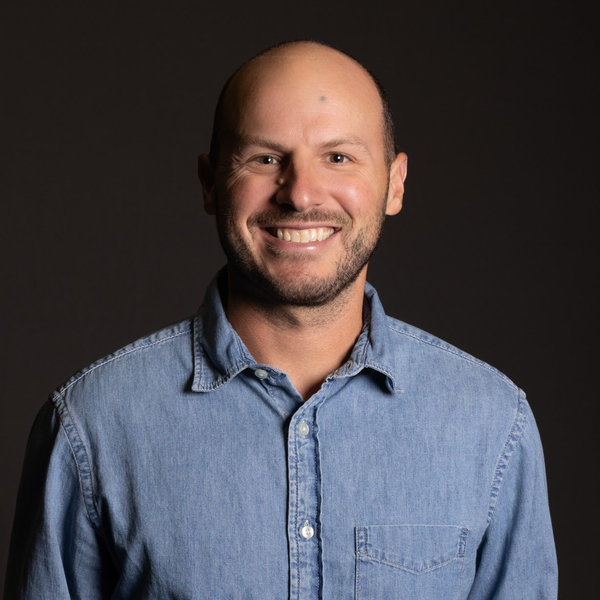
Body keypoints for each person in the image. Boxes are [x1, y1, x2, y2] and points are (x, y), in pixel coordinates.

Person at [5, 41, 558, 599]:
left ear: (395, 183)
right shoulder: (91, 424)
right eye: (265, 159)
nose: (300, 194)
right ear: (209, 182)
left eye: (338, 157)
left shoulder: (492, 423)